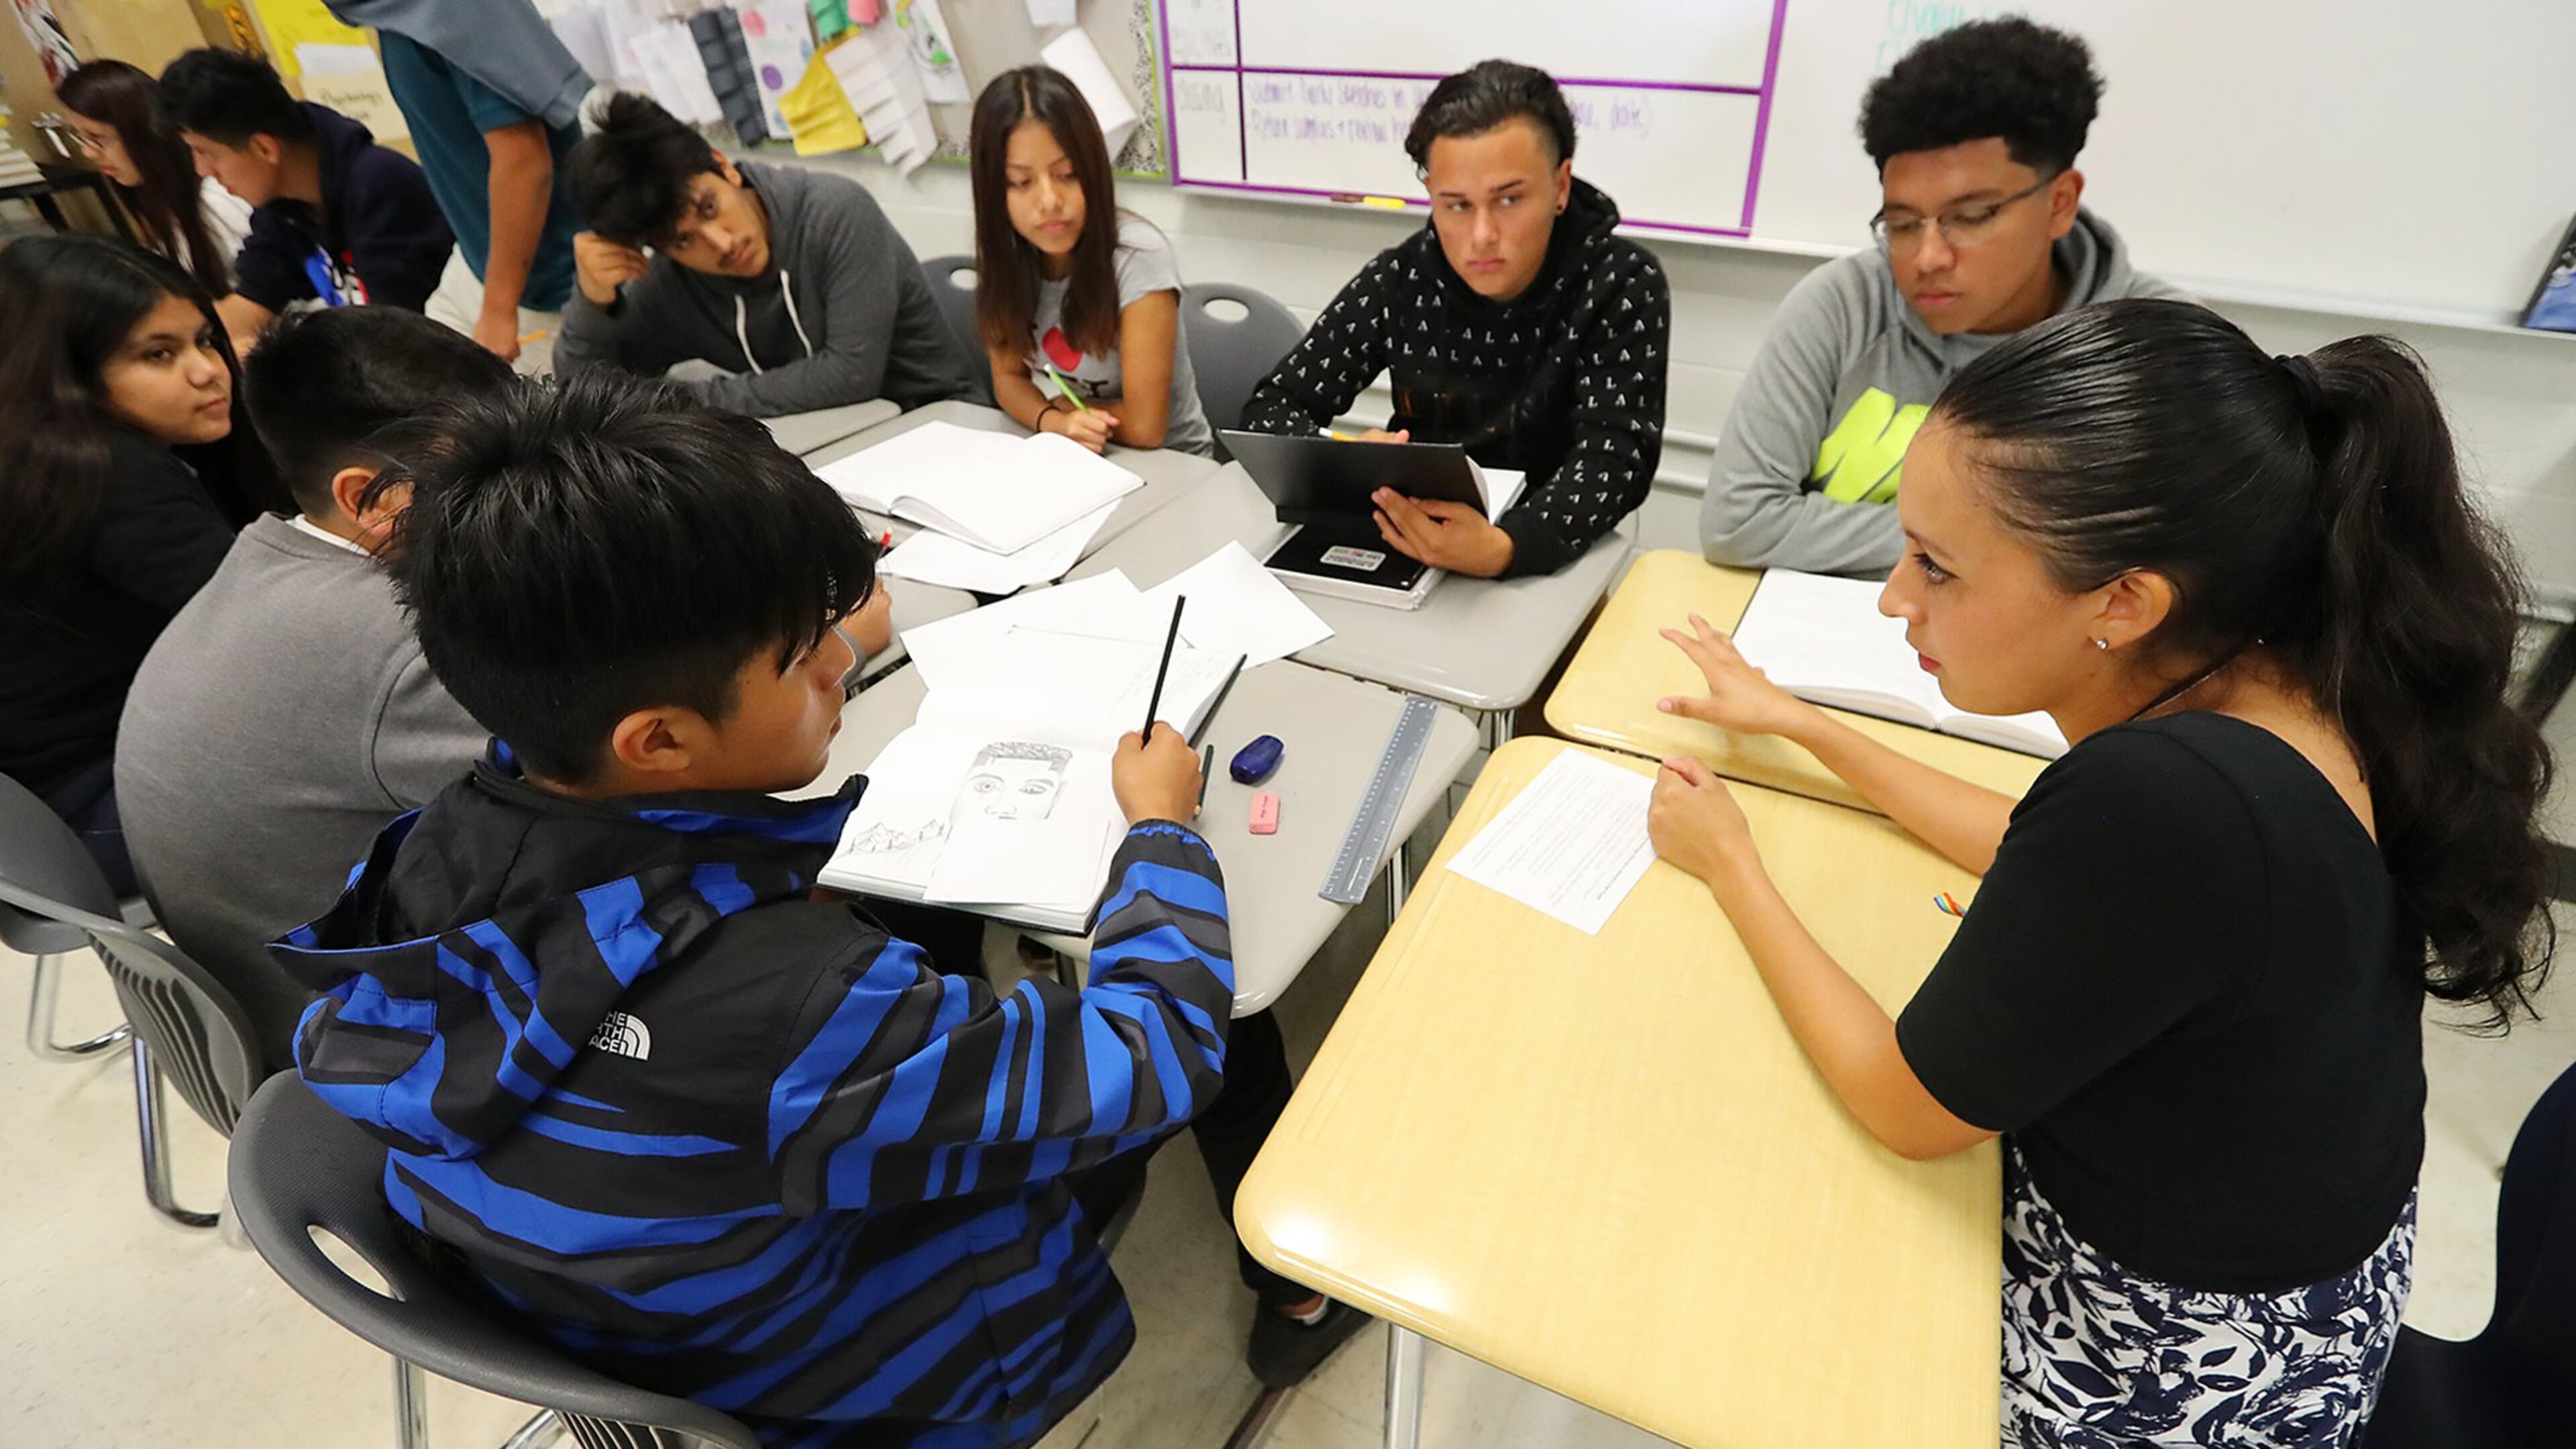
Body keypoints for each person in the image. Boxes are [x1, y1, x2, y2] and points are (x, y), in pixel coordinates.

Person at [274, 375, 1363, 1448]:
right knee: (1229, 1033)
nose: (847, 659)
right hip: (861, 1375)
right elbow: (1155, 1052)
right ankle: (1303, 1299)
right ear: (657, 740)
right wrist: (1160, 832)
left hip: (614, 1312)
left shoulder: (432, 846)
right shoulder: (801, 1016)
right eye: (803, 655)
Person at [1645, 298, 2554, 1446]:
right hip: (2309, 1307)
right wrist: (1803, 726)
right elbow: (2042, 843)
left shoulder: (2163, 802)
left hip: (2180, 1374)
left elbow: (1906, 1107)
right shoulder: (2286, 677)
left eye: (1937, 567)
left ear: (2125, 601)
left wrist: (1733, 867)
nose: (1895, 598)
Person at [115, 309, 526, 1077]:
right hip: (382, 1056)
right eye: (488, 474)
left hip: (287, 1008)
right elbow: (636, 775)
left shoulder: (265, 564)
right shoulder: (399, 643)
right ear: (371, 501)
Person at [1700, 18, 2183, 577]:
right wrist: (1997, 544)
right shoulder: (1844, 306)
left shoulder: (2158, 347)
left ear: (2060, 203)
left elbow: (2168, 558)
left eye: (1970, 217)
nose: (1928, 256)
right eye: (1902, 224)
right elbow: (1738, 522)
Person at [1237, 59, 1667, 580]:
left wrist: (1506, 547)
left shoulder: (1620, 282)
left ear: (1560, 186)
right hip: (1415, 541)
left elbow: (1615, 459)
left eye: (1509, 199)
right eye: (1457, 206)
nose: (1483, 234)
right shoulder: (1403, 275)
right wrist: (1340, 458)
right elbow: (1274, 404)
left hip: (1548, 557)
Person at [0, 235, 276, 895]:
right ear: (64, 373)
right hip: (100, 806)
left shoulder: (43, 453)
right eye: (159, 355)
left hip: (65, 805)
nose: (208, 370)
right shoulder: (102, 473)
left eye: (205, 340)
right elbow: (281, 630)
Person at [555, 93, 979, 417]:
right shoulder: (672, 279)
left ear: (725, 166)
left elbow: (849, 377)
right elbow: (582, 396)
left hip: (936, 422)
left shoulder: (835, 213)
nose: (721, 243)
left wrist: (672, 401)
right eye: (684, 240)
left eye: (710, 207)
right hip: (823, 443)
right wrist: (592, 302)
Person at [321, 0, 590, 367]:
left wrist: (499, 309)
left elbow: (525, 162)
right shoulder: (398, 17)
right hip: (486, 262)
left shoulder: (452, 8)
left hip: (550, 285)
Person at [968, 65, 1211, 455]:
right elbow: (1008, 378)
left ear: (1094, 173)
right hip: (1082, 456)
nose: (1049, 201)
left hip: (1170, 465)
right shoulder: (1008, 256)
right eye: (1022, 182)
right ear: (995, 189)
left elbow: (1147, 427)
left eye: (1067, 174)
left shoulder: (1137, 258)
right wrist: (1052, 421)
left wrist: (1065, 409)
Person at [158, 48, 453, 352]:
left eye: (207, 153)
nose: (202, 170)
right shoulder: (283, 204)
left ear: (265, 149)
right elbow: (251, 302)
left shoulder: (379, 184)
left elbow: (395, 337)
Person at [55, 59, 254, 295]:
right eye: (81, 138)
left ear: (143, 133)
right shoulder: (157, 202)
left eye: (98, 139)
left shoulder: (216, 200)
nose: (88, 153)